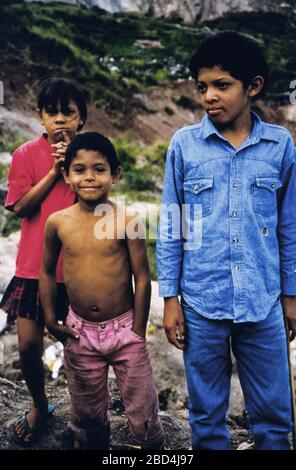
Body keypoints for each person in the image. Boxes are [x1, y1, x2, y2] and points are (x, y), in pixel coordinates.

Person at [156, 31, 296, 450]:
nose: (209, 97)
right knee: (206, 416)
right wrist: (170, 299)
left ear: (252, 87)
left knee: (273, 417)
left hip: (263, 300)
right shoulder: (184, 145)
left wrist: (290, 294)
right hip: (201, 301)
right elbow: (171, 224)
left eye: (222, 85)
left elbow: (290, 226)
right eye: (202, 87)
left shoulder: (280, 146)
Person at [39, 132, 164, 450]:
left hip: (125, 331)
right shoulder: (58, 222)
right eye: (79, 169)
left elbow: (143, 277)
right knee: (88, 414)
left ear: (116, 174)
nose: (89, 177)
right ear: (66, 175)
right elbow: (46, 273)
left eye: (99, 169)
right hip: (79, 332)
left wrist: (137, 330)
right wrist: (52, 319)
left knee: (143, 412)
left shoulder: (128, 220)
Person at [0, 78, 87, 445]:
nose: (60, 120)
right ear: (40, 117)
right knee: (27, 347)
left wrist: (73, 165)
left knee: (81, 352)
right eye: (52, 112)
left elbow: (97, 201)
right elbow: (20, 206)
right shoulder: (25, 155)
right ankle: (39, 404)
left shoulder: (87, 156)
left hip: (79, 270)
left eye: (68, 112)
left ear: (81, 118)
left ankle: (84, 417)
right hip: (33, 270)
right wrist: (54, 171)